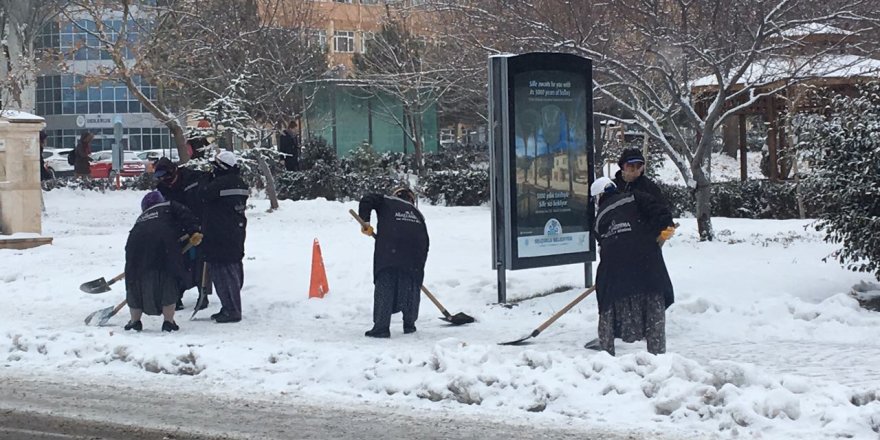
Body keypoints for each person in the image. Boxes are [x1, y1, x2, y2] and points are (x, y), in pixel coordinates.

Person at [590, 176, 676, 355]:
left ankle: (606, 351)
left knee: (608, 305)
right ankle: (658, 356)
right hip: (648, 264)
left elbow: (602, 243)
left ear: (598, 198)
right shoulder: (635, 197)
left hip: (614, 271)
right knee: (653, 307)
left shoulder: (598, 220)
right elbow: (660, 211)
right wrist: (664, 227)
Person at [124, 191, 202, 332]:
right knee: (168, 280)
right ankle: (168, 321)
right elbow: (187, 215)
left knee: (135, 281)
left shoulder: (142, 218)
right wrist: (194, 231)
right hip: (164, 243)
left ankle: (135, 321)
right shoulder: (169, 205)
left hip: (135, 246)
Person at [357, 187, 429, 338]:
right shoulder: (418, 214)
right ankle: (409, 324)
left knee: (386, 282)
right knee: (410, 285)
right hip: (414, 253)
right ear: (412, 200)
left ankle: (381, 328)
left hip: (390, 249)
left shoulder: (387, 201)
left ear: (395, 195)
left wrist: (365, 221)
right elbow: (425, 241)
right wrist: (418, 266)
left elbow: (367, 199)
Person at [154, 157, 213, 311]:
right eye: (159, 178)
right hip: (177, 227)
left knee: (201, 261)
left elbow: (206, 196)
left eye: (165, 176)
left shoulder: (193, 178)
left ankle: (203, 293)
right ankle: (176, 295)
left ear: (173, 171)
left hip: (199, 224)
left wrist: (202, 223)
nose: (163, 180)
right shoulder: (162, 188)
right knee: (177, 261)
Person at [200, 150, 249, 323]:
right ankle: (230, 306)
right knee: (234, 268)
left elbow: (203, 195)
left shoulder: (218, 184)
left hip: (218, 234)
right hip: (237, 232)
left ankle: (231, 309)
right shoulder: (241, 183)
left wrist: (207, 179)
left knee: (222, 272)